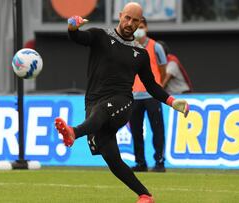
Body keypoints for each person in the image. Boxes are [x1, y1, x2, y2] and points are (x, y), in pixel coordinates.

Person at [54, 2, 189, 203]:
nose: (130, 23)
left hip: (122, 102)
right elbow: (78, 37)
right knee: (112, 158)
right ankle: (145, 195)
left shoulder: (140, 54)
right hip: (93, 103)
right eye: (127, 18)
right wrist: (72, 26)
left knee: (102, 111)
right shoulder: (100, 36)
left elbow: (151, 86)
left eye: (135, 20)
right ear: (120, 16)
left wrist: (171, 101)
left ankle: (74, 132)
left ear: (140, 23)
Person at [129, 16, 168, 173]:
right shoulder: (129, 46)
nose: (139, 28)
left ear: (146, 27)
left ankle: (159, 162)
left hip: (152, 96)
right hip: (134, 96)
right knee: (136, 131)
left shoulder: (156, 47)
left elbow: (163, 69)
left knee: (157, 130)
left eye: (141, 25)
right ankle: (140, 162)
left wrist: (159, 88)